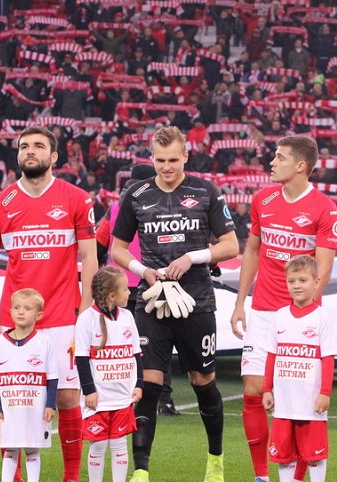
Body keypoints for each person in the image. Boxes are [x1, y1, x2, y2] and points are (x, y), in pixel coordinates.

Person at [110, 126, 239, 482]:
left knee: (202, 380)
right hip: (152, 302)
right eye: (159, 160)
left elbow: (231, 245)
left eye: (172, 160)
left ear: (185, 156)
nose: (166, 167)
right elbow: (117, 248)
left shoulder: (205, 191)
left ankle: (215, 461)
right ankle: (140, 470)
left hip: (196, 301)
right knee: (148, 383)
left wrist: (193, 257)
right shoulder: (137, 194)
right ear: (151, 158)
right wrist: (142, 270)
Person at [0, 125, 97, 482]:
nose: (30, 151)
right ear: (17, 155)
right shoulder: (1, 204)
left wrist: (86, 311)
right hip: (13, 320)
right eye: (24, 146)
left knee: (67, 398)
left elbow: (90, 258)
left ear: (53, 156)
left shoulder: (77, 199)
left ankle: (71, 476)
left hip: (63, 316)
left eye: (39, 146)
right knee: (14, 401)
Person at [230, 135, 337, 482]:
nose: (272, 163)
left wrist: (304, 313)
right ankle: (262, 475)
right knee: (253, 389)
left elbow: (323, 267)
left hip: (301, 317)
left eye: (280, 158)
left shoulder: (325, 208)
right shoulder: (262, 200)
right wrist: (240, 303)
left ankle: (297, 475)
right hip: (263, 310)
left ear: (301, 166)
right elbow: (252, 251)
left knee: (301, 401)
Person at [94, 163, 180, 417]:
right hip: (152, 284)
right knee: (157, 343)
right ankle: (164, 399)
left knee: (116, 343)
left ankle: (113, 393)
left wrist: (103, 273)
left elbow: (99, 244)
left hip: (117, 287)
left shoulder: (115, 208)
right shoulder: (162, 204)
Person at [261, 255, 337, 482]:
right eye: (291, 281)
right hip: (284, 403)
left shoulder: (322, 317)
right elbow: (271, 355)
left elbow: (328, 358)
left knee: (314, 454)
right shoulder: (280, 316)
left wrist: (325, 393)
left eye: (303, 280)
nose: (297, 286)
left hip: (311, 403)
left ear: (316, 282)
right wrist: (267, 389)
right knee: (283, 454)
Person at [75, 266, 143, 482]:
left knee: (119, 443)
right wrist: (89, 391)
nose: (129, 292)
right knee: (98, 444)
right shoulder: (86, 319)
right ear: (112, 296)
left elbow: (136, 353)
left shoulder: (127, 316)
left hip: (123, 396)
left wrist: (139, 383)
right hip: (99, 397)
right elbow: (81, 359)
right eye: (125, 289)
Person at [0, 288, 58, 482]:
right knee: (10, 448)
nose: (21, 312)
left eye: (27, 308)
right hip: (10, 408)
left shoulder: (44, 342)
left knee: (32, 448)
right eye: (17, 307)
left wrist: (50, 405)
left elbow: (52, 378)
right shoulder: (1, 342)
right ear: (10, 311)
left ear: (39, 315)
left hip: (35, 408)